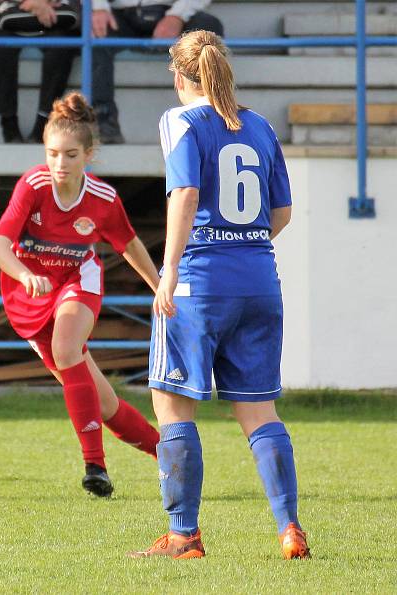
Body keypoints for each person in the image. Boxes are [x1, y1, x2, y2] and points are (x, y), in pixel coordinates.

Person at [128, 30, 309, 559]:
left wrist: (170, 271)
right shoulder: (261, 125)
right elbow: (282, 212)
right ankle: (289, 528)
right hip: (259, 280)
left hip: (199, 285)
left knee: (173, 406)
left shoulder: (179, 120)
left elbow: (185, 192)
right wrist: (243, 246)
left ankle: (184, 536)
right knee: (260, 412)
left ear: (178, 74)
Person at [0, 91, 161, 497]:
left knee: (68, 349)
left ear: (89, 154)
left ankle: (94, 468)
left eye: (69, 155)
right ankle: (171, 455)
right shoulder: (32, 186)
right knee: (104, 405)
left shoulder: (103, 200)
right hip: (27, 295)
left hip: (77, 280)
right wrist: (25, 272)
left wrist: (160, 287)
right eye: (52, 154)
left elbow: (129, 244)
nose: (59, 164)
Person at [90, 0, 223, 144]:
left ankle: (208, 119)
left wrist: (177, 16)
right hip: (117, 14)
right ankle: (103, 121)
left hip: (174, 11)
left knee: (207, 32)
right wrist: (98, 8)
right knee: (91, 32)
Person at [0, 0, 80, 144]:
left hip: (55, 11)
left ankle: (44, 121)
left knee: (61, 48)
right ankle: (8, 122)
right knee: (1, 48)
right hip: (11, 11)